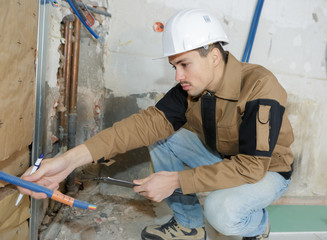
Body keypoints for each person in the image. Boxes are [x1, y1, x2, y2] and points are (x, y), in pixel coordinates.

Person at [19, 8, 294, 240]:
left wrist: (176, 180)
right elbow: (145, 125)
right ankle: (189, 226)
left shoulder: (260, 86)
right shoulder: (192, 88)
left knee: (221, 211)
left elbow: (251, 166)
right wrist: (68, 161)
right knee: (163, 136)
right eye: (174, 66)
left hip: (266, 170)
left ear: (213, 57)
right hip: (224, 158)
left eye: (184, 64)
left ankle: (258, 226)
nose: (178, 75)